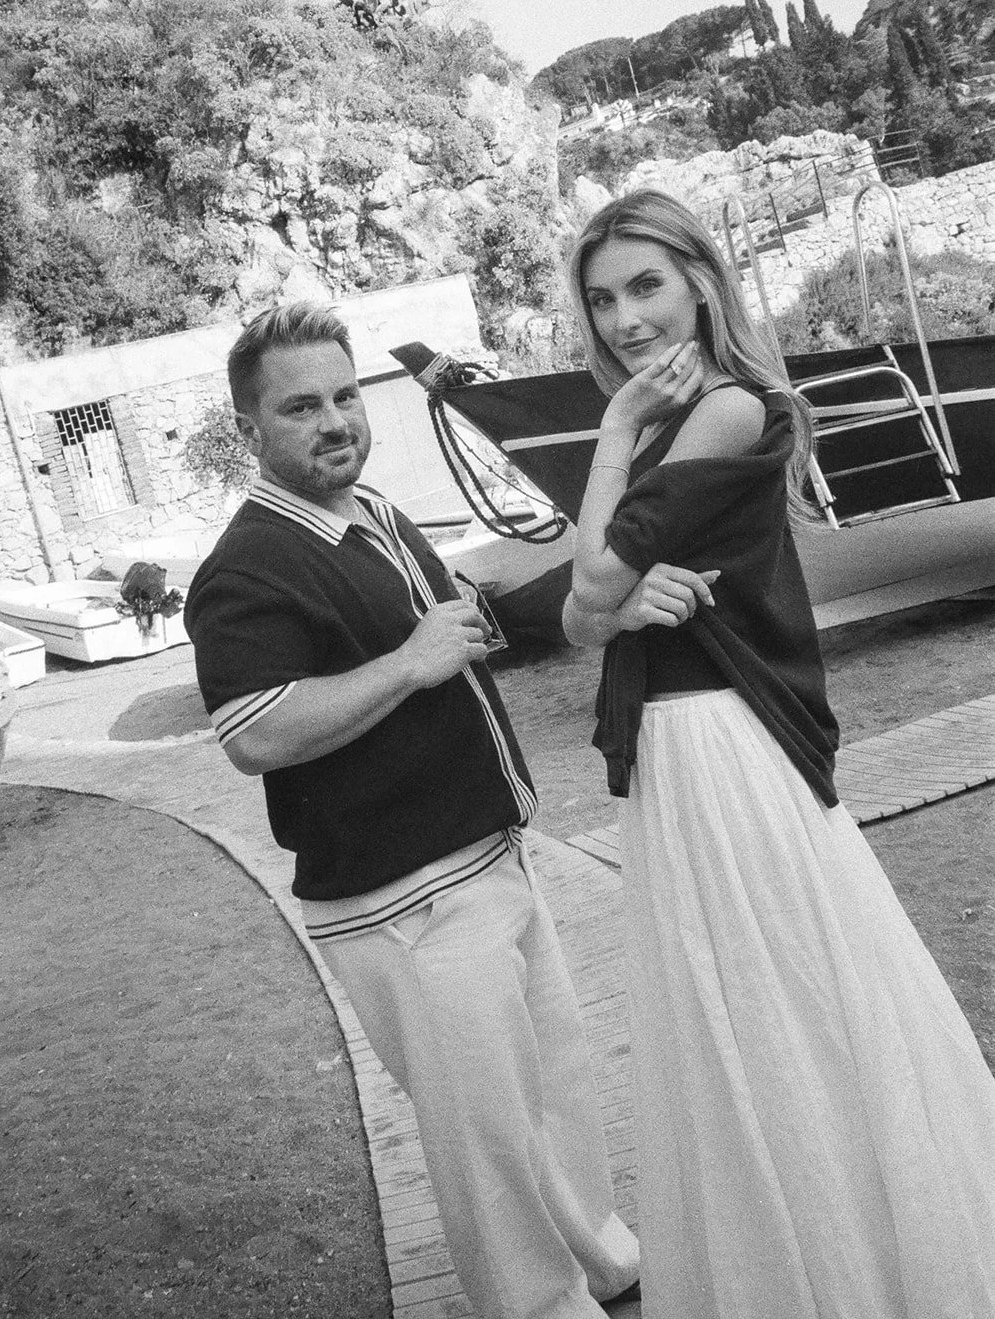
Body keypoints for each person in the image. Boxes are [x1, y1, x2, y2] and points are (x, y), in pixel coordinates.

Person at [562, 188, 995, 1319]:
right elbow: (581, 616)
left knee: (773, 1004)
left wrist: (607, 452)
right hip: (672, 747)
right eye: (602, 298)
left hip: (718, 740)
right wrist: (608, 588)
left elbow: (591, 582)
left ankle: (848, 1267)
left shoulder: (724, 410)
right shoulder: (668, 421)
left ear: (702, 281)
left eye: (645, 285)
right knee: (731, 1014)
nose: (623, 319)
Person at [183, 302, 641, 1319]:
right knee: (483, 1136)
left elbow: (456, 632)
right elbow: (253, 731)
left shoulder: (377, 515)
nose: (334, 419)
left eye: (345, 395)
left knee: (552, 1090)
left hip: (487, 857)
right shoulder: (243, 567)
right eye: (300, 407)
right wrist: (408, 661)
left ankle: (604, 1263)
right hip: (405, 901)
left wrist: (593, 585)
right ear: (250, 429)